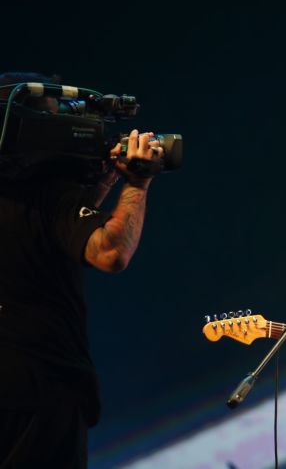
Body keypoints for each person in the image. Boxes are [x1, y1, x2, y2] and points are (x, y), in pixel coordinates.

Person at [0, 72, 163, 468]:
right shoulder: (50, 193)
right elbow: (110, 253)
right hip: (41, 391)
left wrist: (105, 179)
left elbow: (48, 229)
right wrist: (137, 183)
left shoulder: (23, 192)